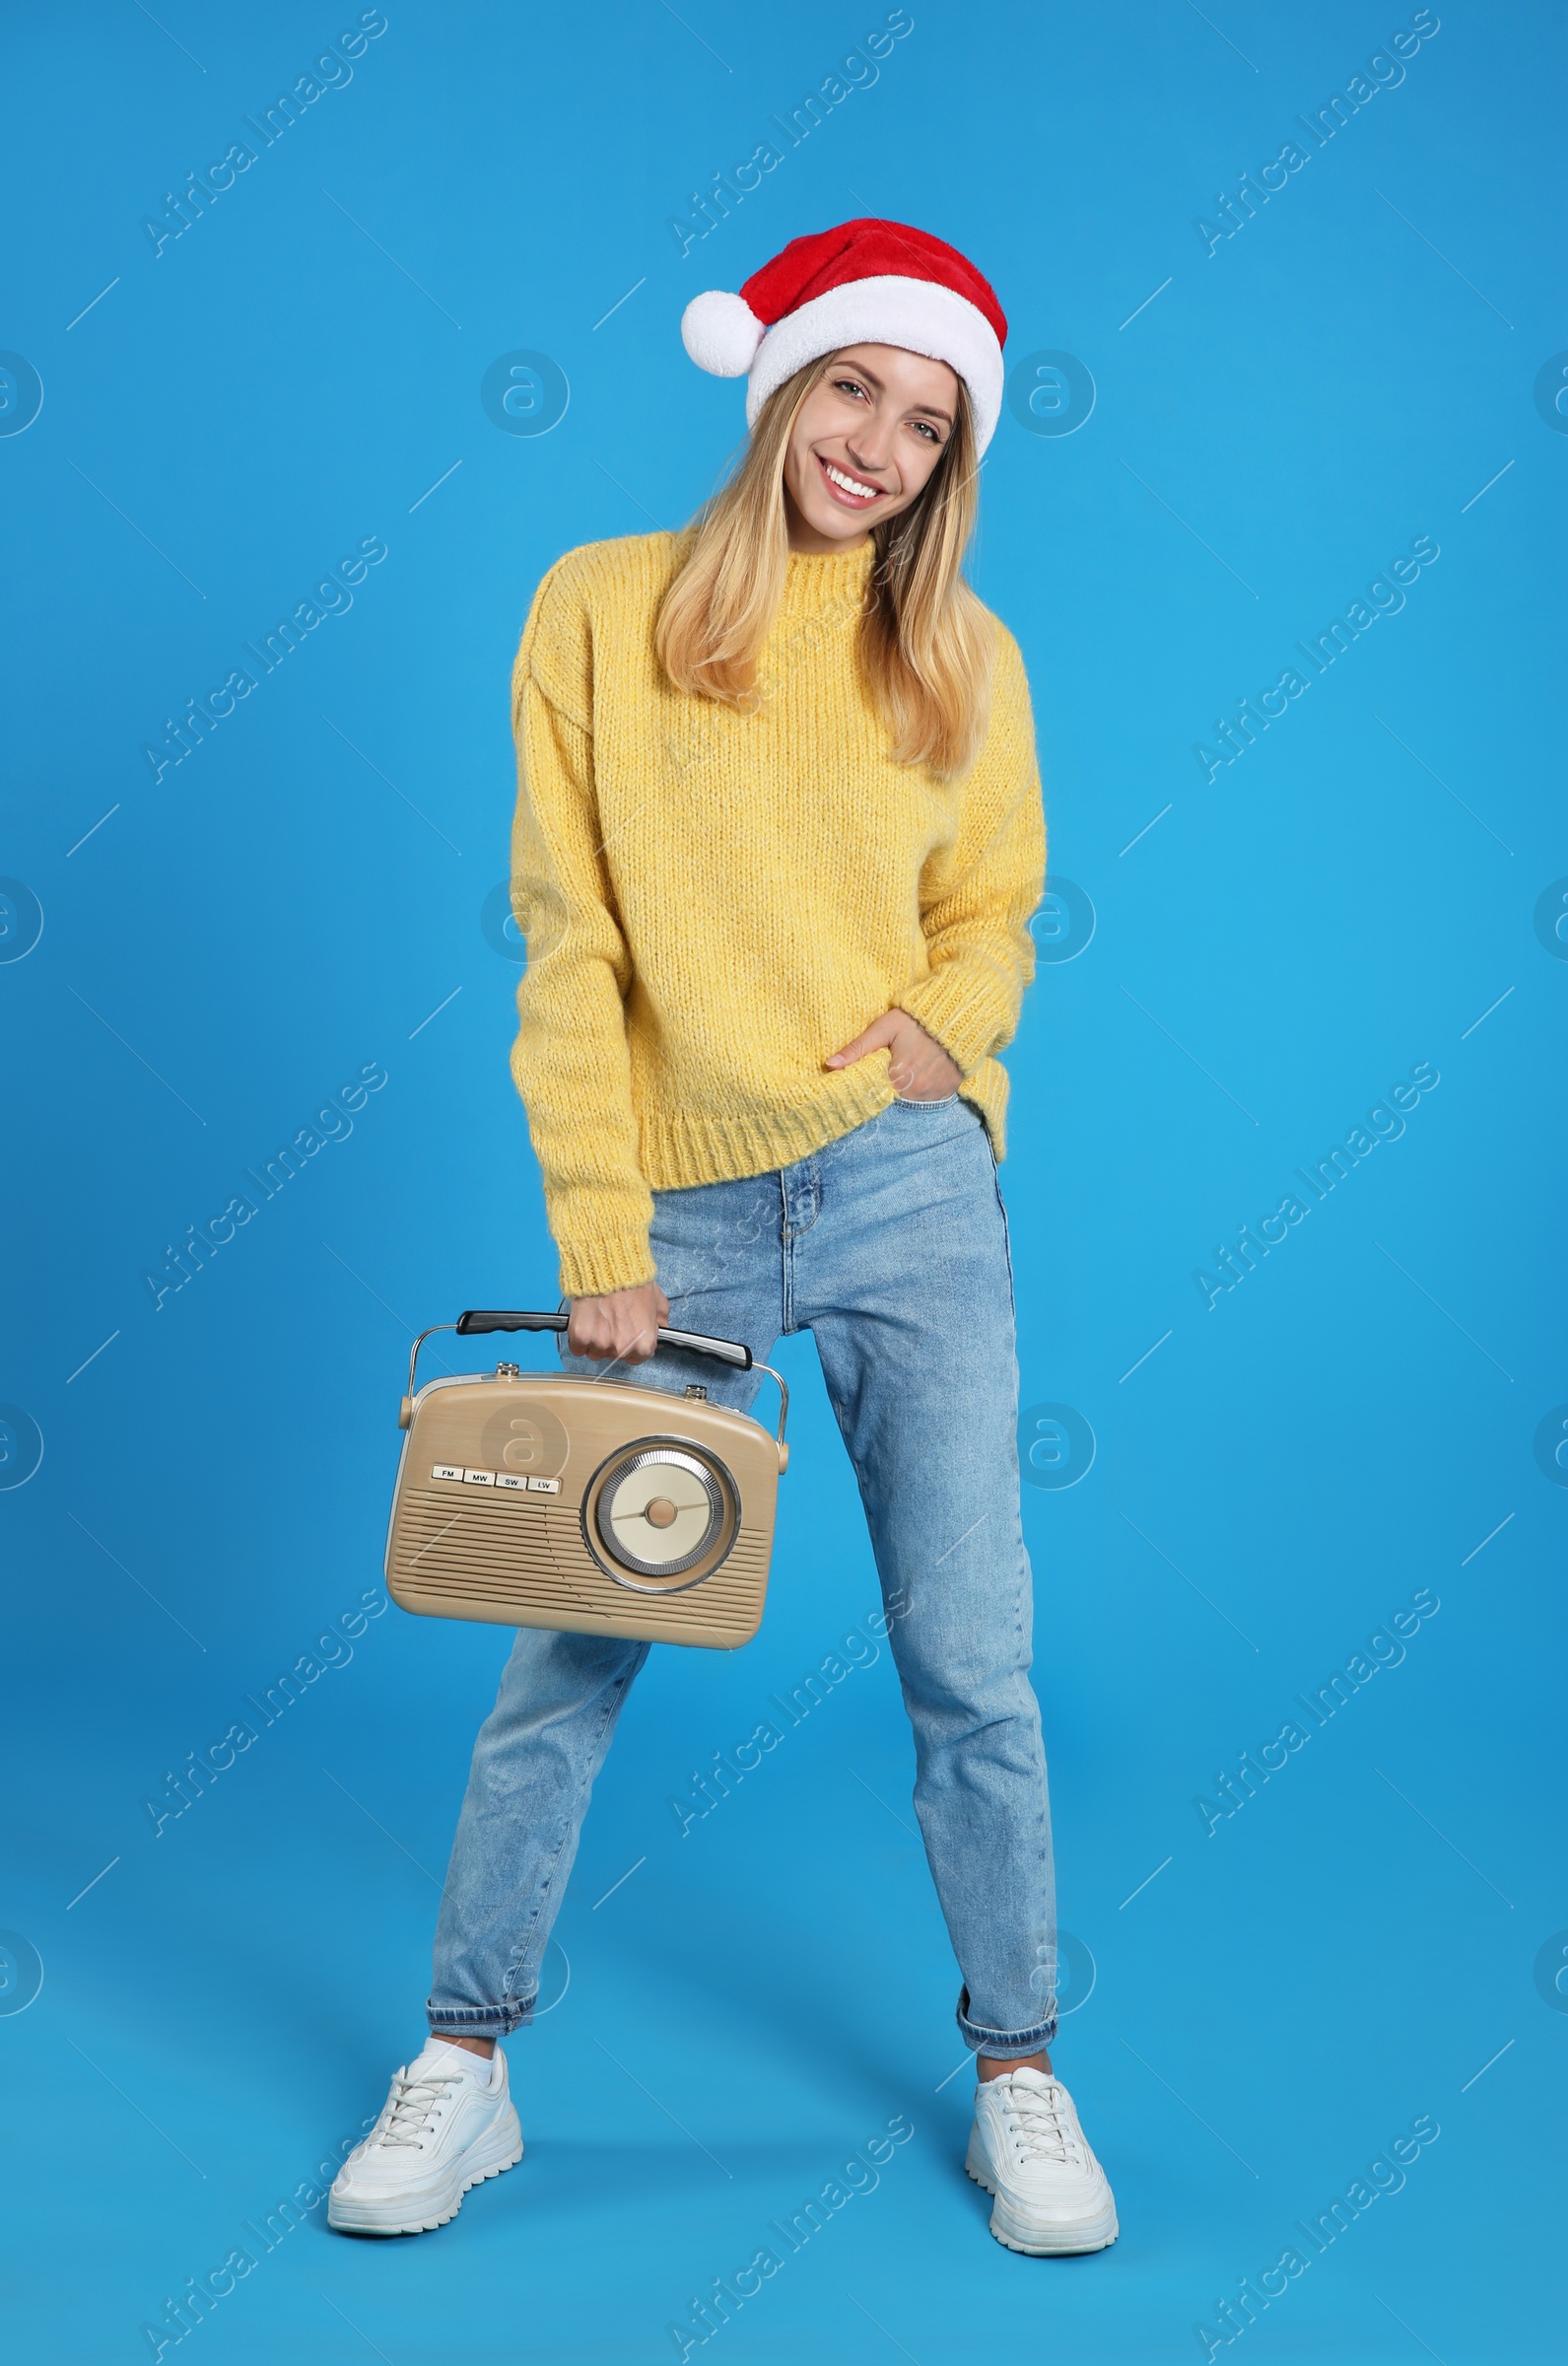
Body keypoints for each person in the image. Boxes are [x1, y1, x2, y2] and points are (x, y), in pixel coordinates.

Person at [329, 219, 1118, 2257]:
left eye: (924, 423)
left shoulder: (962, 653)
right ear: (780, 382)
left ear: (950, 463)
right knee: (568, 1652)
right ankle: (466, 2063)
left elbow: (995, 903)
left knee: (969, 1658)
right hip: (671, 1219)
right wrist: (598, 1222)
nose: (876, 443)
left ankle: (1018, 2071)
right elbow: (569, 939)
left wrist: (946, 1034)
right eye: (853, 386)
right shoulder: (598, 612)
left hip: (906, 1199)